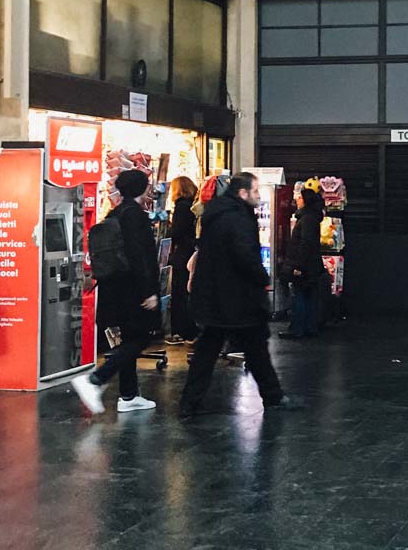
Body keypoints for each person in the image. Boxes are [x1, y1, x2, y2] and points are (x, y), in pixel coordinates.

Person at [179, 172, 302, 419]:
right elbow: (245, 255)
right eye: (255, 191)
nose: (258, 196)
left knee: (210, 350)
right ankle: (273, 396)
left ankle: (189, 402)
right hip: (237, 299)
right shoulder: (237, 218)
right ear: (243, 193)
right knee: (256, 349)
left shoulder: (216, 215)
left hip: (217, 298)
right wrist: (261, 279)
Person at [73, 168, 159, 416]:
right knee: (140, 338)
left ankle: (129, 395)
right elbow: (139, 256)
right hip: (133, 290)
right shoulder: (136, 216)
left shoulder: (116, 213)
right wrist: (148, 291)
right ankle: (95, 379)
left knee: (130, 338)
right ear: (141, 188)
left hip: (115, 288)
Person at [280, 178, 324, 339]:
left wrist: (298, 266)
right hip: (312, 266)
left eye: (299, 198)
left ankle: (297, 328)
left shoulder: (306, 220)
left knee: (299, 296)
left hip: (304, 266)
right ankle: (310, 327)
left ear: (305, 201)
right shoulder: (312, 218)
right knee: (310, 296)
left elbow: (306, 243)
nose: (296, 200)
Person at [168, 176, 198, 342]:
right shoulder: (193, 206)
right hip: (190, 253)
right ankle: (190, 328)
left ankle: (182, 329)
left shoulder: (181, 207)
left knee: (180, 292)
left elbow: (177, 232)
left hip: (182, 255)